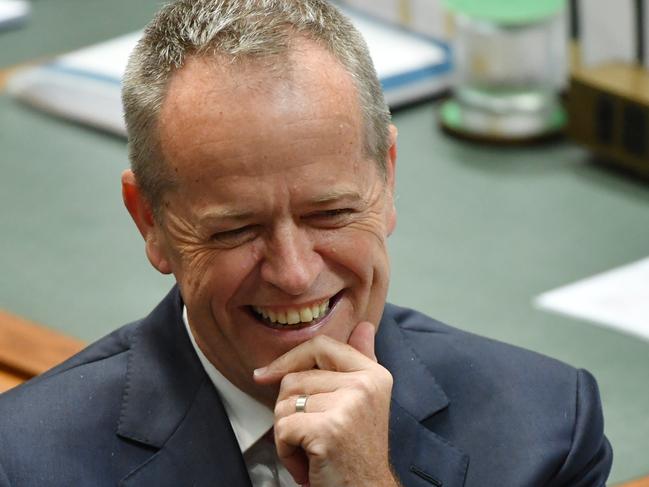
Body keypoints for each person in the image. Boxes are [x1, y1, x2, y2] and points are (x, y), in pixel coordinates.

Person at [0, 1, 612, 486]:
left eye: (330, 213)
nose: (293, 274)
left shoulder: (548, 432)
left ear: (387, 177)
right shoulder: (25, 463)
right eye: (236, 229)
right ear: (150, 223)